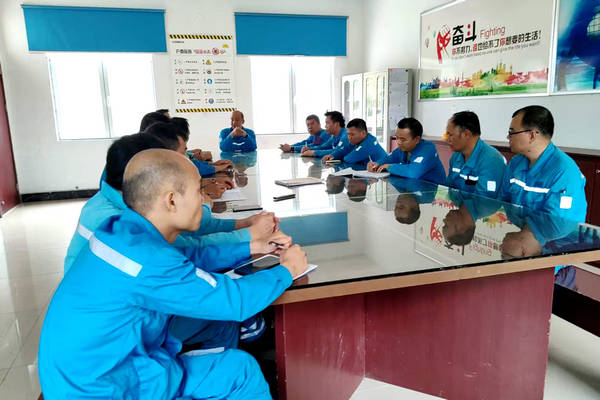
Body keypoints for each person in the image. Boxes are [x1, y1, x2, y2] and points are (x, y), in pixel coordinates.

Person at [39, 149, 309, 399]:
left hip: (84, 373)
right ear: (171, 200)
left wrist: (251, 247)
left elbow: (183, 258)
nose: (203, 199)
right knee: (241, 371)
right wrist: (287, 270)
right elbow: (234, 301)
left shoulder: (123, 230)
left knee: (218, 324)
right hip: (108, 388)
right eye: (198, 190)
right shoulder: (146, 260)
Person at [65, 133, 278, 274]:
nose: (186, 159)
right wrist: (249, 237)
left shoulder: (109, 201)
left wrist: (244, 227)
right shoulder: (117, 222)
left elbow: (187, 242)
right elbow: (187, 252)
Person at [499, 105, 587, 222]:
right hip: (518, 229)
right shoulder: (516, 162)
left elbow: (555, 224)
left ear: (532, 135)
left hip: (551, 233)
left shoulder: (564, 171)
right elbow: (503, 201)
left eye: (512, 132)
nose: (508, 137)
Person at [367, 118, 446, 185]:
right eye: (397, 138)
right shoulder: (403, 149)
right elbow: (388, 159)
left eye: (403, 139)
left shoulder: (428, 149)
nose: (398, 142)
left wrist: (390, 167)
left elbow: (413, 172)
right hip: (413, 187)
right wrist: (376, 164)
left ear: (417, 139)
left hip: (433, 192)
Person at [446, 111, 506, 198]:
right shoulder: (456, 157)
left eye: (450, 135)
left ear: (466, 134)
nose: (447, 140)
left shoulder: (492, 161)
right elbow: (449, 189)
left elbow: (484, 201)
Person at [321, 118, 387, 165]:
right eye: (348, 134)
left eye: (352, 134)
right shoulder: (357, 140)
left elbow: (348, 159)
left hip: (383, 175)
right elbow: (344, 150)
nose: (349, 137)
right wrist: (332, 155)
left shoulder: (368, 144)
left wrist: (338, 158)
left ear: (363, 133)